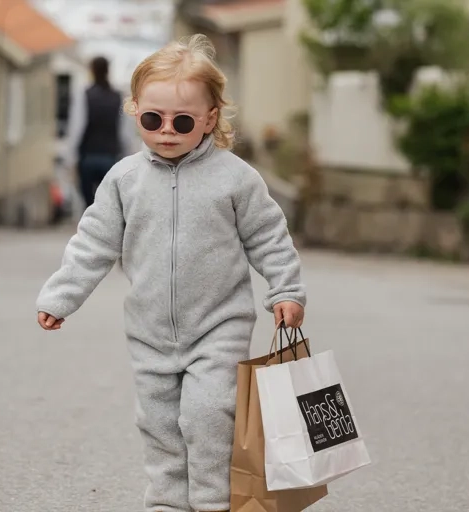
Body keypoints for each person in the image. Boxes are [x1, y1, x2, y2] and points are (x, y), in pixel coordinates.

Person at [35, 35, 306, 512]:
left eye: (182, 121)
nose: (166, 131)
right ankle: (166, 502)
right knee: (158, 423)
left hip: (219, 324)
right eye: (152, 119)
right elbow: (94, 242)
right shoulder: (124, 179)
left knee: (209, 414)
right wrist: (61, 297)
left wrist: (285, 288)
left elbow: (269, 236)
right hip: (150, 329)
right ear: (134, 111)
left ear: (210, 118)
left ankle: (212, 501)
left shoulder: (235, 178)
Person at [73, 56, 124, 210]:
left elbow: (77, 127)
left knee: (89, 204)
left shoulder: (85, 94)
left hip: (88, 156)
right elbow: (124, 132)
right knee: (108, 203)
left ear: (92, 71)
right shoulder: (118, 97)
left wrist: (71, 155)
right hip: (110, 156)